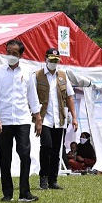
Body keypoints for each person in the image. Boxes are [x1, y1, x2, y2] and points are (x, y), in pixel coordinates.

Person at [0, 39, 42, 202]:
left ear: (21, 55)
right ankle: (7, 193)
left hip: (22, 119)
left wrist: (37, 117)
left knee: (25, 154)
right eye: (9, 53)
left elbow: (32, 96)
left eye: (15, 53)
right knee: (5, 156)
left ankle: (25, 193)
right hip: (4, 119)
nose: (11, 56)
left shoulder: (27, 72)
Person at [34, 48, 78, 190]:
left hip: (59, 118)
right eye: (51, 60)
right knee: (46, 146)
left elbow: (69, 97)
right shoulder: (37, 76)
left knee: (56, 150)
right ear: (46, 59)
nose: (53, 63)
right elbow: (32, 97)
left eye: (56, 60)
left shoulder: (63, 76)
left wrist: (74, 117)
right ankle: (43, 177)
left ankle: (53, 180)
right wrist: (36, 117)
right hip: (44, 117)